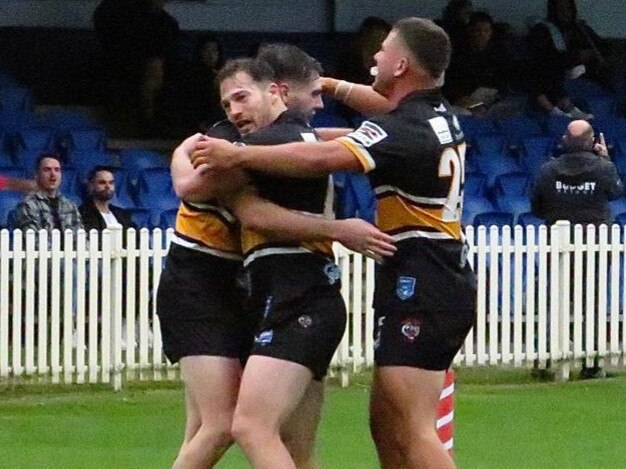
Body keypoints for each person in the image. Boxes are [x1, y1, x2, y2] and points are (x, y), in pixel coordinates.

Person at [190, 18, 477, 468]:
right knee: (387, 425)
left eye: (383, 51)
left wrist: (239, 154)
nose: (374, 57)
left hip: (425, 278)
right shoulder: (434, 115)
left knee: (414, 428)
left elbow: (323, 155)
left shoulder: (401, 129)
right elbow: (374, 106)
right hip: (429, 274)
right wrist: (325, 84)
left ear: (401, 65)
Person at [160, 57, 395, 468]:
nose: (317, 103)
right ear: (282, 90)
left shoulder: (262, 144)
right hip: (209, 288)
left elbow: (246, 194)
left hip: (291, 294)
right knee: (241, 432)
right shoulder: (245, 141)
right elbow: (203, 191)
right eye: (315, 93)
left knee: (235, 427)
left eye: (240, 98)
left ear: (276, 91)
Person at [531, 120, 622, 380]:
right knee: (590, 305)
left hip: (556, 248)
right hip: (593, 249)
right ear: (592, 141)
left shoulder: (547, 171)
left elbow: (536, 207)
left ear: (564, 141)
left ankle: (546, 360)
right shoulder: (603, 168)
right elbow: (616, 192)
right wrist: (605, 158)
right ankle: (591, 363)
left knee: (551, 303)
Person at [14, 154, 83, 234]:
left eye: (57, 170)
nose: (53, 174)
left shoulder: (70, 205)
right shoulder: (27, 205)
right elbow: (34, 241)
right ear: (37, 175)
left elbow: (81, 237)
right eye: (47, 169)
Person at [79, 166, 135, 232]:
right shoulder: (83, 213)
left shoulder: (123, 214)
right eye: (102, 182)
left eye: (111, 182)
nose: (108, 186)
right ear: (91, 185)